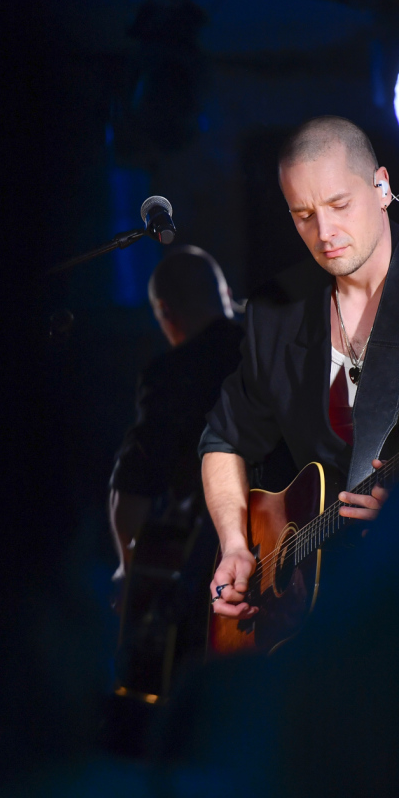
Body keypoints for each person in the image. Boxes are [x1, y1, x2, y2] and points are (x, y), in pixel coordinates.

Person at [201, 115, 399, 619]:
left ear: (381, 187)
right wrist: (235, 546)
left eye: (339, 205)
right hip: (315, 619)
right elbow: (224, 441)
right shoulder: (275, 313)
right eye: (303, 215)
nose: (324, 232)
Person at [109, 245, 243, 583]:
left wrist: (128, 571)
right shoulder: (273, 346)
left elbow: (133, 484)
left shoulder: (169, 375)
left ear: (165, 311)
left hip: (213, 562)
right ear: (227, 295)